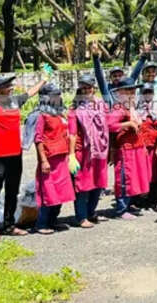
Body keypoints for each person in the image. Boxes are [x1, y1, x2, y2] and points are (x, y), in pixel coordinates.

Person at [0, 73, 45, 242]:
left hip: (15, 155)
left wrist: (44, 79)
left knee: (12, 190)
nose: (11, 86)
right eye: (7, 85)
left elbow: (30, 92)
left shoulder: (15, 101)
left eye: (10, 84)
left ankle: (9, 225)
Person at [32, 84, 75, 234]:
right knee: (48, 192)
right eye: (53, 95)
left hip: (62, 158)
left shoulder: (59, 114)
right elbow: (38, 140)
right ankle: (41, 224)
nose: (57, 98)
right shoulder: (41, 115)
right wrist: (43, 160)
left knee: (61, 191)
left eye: (58, 95)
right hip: (49, 160)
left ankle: (53, 220)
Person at [67, 75, 109, 227]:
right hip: (84, 153)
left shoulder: (101, 104)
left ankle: (91, 212)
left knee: (98, 184)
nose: (86, 90)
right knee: (83, 186)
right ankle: (81, 217)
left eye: (89, 87)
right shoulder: (75, 109)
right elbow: (71, 133)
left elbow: (106, 126)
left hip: (100, 151)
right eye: (83, 87)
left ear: (94, 88)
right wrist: (71, 155)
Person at [107, 78, 151, 219]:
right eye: (128, 90)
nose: (132, 93)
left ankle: (128, 205)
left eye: (133, 90)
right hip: (126, 149)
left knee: (134, 178)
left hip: (136, 147)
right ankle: (121, 209)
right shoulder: (118, 109)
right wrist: (128, 124)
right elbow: (109, 125)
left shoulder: (130, 107)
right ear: (120, 93)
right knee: (125, 178)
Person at [136, 83, 157, 208]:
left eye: (149, 92)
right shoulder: (136, 109)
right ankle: (140, 199)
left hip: (154, 145)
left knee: (154, 172)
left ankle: (153, 198)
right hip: (141, 145)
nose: (147, 95)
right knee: (142, 172)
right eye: (145, 92)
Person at [91, 41, 142, 106]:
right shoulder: (108, 89)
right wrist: (96, 58)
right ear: (110, 78)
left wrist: (143, 58)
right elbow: (100, 77)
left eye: (120, 76)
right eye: (114, 76)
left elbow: (135, 74)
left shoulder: (127, 86)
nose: (117, 78)